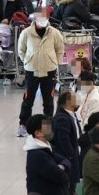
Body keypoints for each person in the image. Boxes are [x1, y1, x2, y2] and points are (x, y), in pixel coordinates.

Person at [17, 8, 64, 137]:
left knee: (48, 100)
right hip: (31, 71)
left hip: (49, 71)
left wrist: (54, 61)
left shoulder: (55, 33)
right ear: (35, 18)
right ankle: (23, 124)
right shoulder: (26, 33)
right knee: (28, 100)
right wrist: (28, 61)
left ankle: (48, 126)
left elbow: (60, 49)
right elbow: (21, 49)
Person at [24, 114, 72, 195]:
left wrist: (62, 167)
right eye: (47, 127)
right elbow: (61, 177)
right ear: (38, 133)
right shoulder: (37, 155)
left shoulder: (47, 148)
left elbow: (66, 161)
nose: (51, 130)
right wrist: (62, 169)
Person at [52, 90, 82, 195]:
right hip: (68, 159)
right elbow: (63, 139)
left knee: (72, 187)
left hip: (73, 157)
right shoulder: (62, 118)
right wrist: (70, 155)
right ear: (68, 101)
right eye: (75, 98)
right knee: (68, 187)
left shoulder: (71, 114)